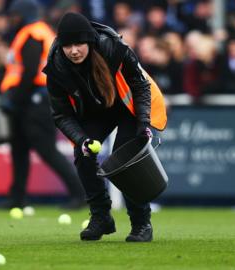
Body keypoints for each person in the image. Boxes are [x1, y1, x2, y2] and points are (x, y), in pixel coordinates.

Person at [43, 13, 167, 242]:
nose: (73, 50)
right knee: (83, 155)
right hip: (98, 111)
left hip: (128, 106)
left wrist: (143, 122)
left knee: (127, 161)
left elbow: (141, 85)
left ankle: (141, 224)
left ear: (89, 41)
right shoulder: (56, 67)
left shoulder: (113, 47)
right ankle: (101, 217)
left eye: (78, 43)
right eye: (67, 45)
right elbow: (61, 115)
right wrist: (82, 140)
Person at [0, 0, 85, 209]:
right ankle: (17, 197)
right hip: (28, 99)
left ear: (25, 14)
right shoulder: (35, 31)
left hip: (33, 100)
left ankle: (80, 194)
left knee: (47, 150)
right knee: (18, 149)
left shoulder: (33, 33)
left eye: (15, 15)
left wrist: (14, 100)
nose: (12, 19)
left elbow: (29, 72)